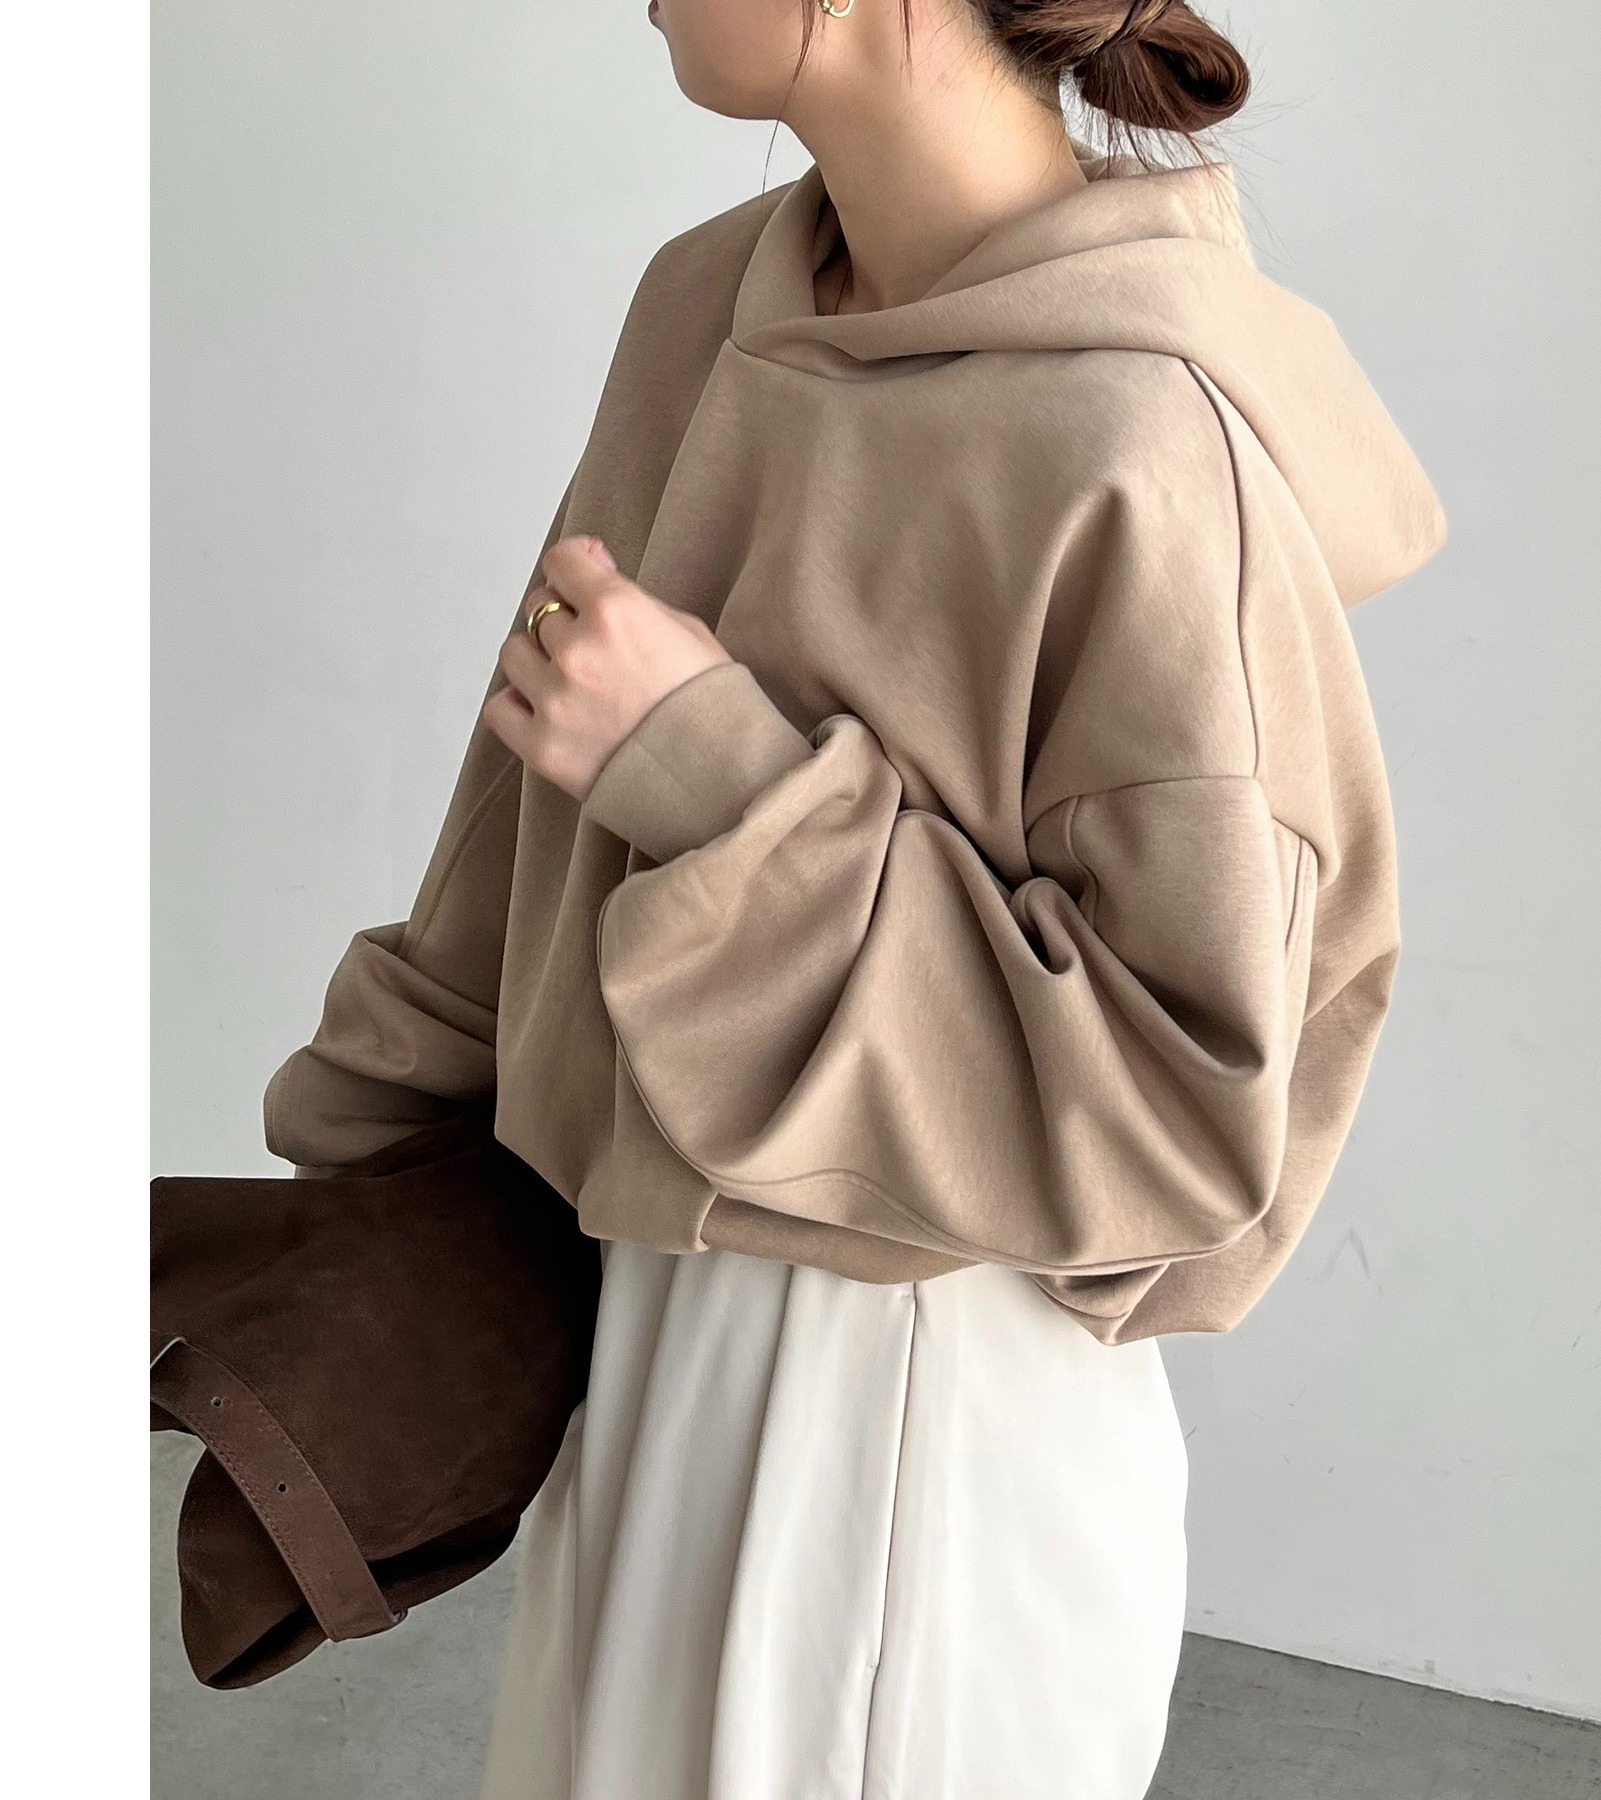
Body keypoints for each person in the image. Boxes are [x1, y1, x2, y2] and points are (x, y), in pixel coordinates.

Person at [263, 0, 1446, 1793]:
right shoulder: (705, 302)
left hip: (913, 1428)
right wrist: (362, 1174)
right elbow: (529, 799)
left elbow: (1184, 1115)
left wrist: (725, 790)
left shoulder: (1145, 437)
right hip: (644, 1335)